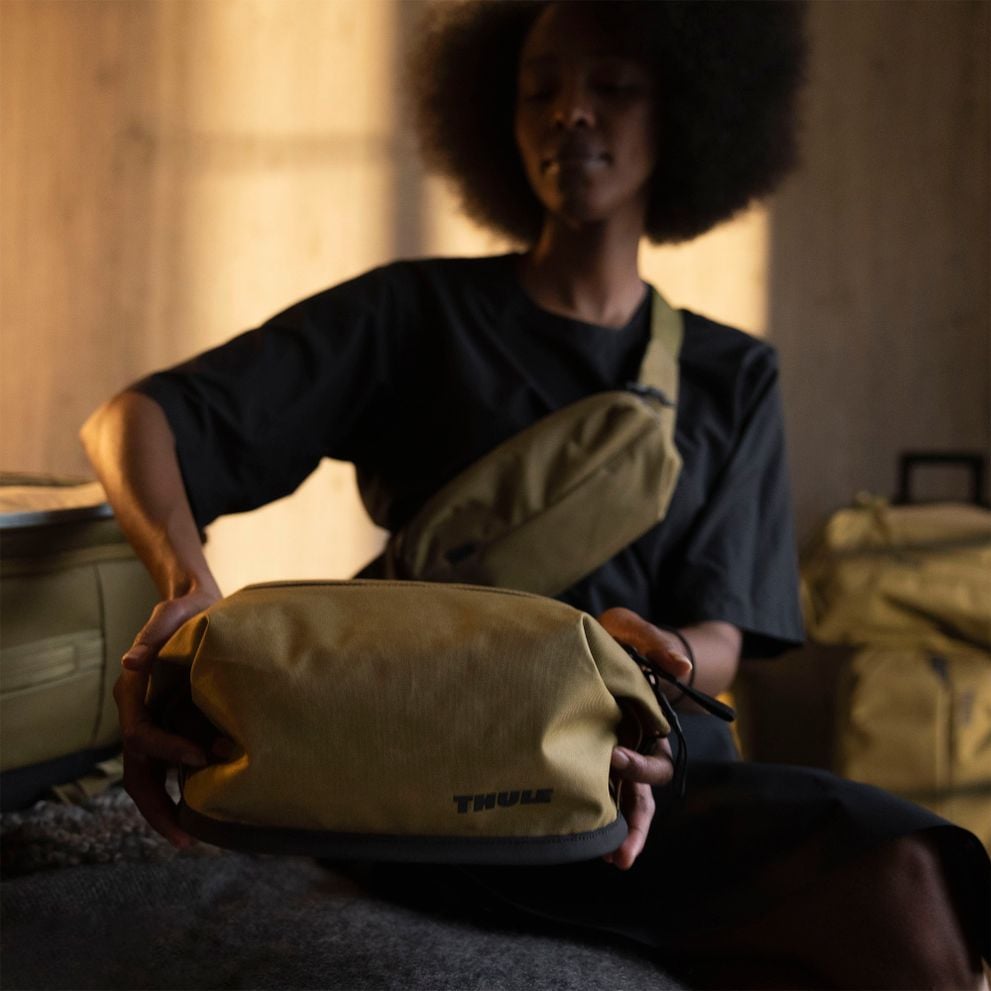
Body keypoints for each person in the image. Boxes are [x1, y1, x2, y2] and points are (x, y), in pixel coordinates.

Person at [81, 2, 989, 988]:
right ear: (494, 117)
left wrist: (671, 663)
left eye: (612, 87)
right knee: (895, 897)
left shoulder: (733, 373)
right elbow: (133, 421)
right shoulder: (411, 314)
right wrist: (185, 595)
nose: (571, 115)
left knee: (920, 865)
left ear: (687, 113)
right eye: (539, 89)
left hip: (634, 765)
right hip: (436, 765)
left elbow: (726, 628)